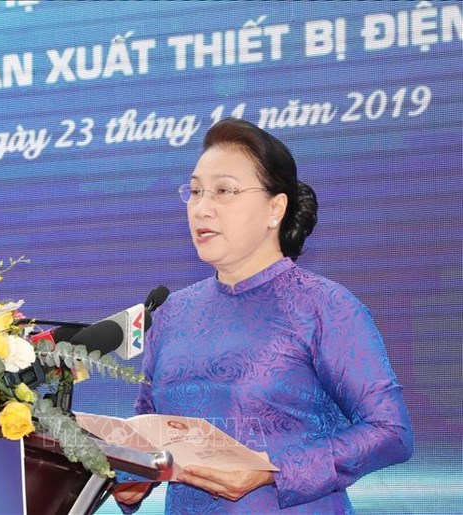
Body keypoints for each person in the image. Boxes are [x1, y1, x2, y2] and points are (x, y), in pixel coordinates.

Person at [113, 118, 413, 513]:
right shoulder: (171, 313)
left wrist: (273, 471)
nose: (202, 207)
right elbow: (150, 422)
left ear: (275, 208)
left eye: (224, 191)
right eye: (196, 191)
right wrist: (131, 476)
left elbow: (391, 432)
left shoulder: (324, 306)